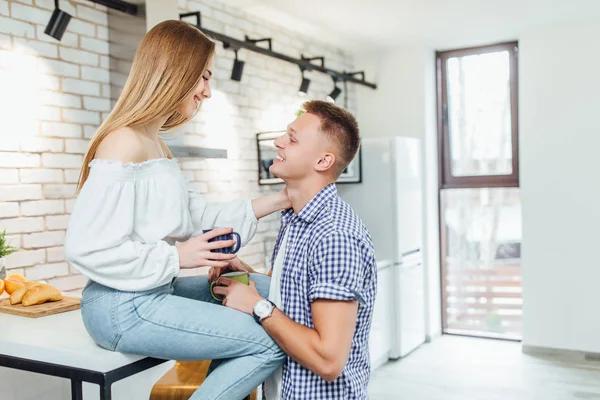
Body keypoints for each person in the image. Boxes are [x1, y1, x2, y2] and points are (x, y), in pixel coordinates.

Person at [63, 20, 289, 400]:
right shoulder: (123, 143)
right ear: (175, 72)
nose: (208, 91)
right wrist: (177, 256)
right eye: (203, 76)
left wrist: (284, 198)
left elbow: (200, 217)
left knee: (272, 291)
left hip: (150, 292)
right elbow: (84, 247)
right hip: (120, 307)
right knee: (270, 341)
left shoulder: (156, 146)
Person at [211, 100, 377, 400]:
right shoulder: (297, 220)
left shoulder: (334, 236)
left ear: (323, 161)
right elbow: (292, 299)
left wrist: (256, 305)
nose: (278, 142)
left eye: (292, 137)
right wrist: (244, 273)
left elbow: (329, 361)